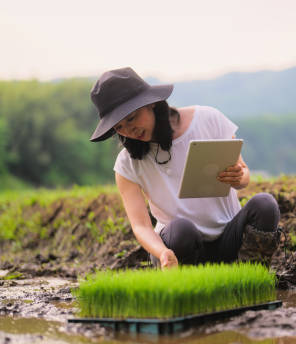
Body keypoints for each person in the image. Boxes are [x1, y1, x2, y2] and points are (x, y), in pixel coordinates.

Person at [89, 67, 280, 269]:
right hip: (177, 246)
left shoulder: (208, 120)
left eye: (132, 118)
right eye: (119, 127)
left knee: (265, 204)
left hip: (227, 238)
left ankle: (249, 276)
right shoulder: (126, 163)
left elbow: (244, 174)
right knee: (182, 229)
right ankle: (190, 285)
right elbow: (140, 226)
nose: (129, 130)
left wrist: (239, 177)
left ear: (151, 104)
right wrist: (162, 253)